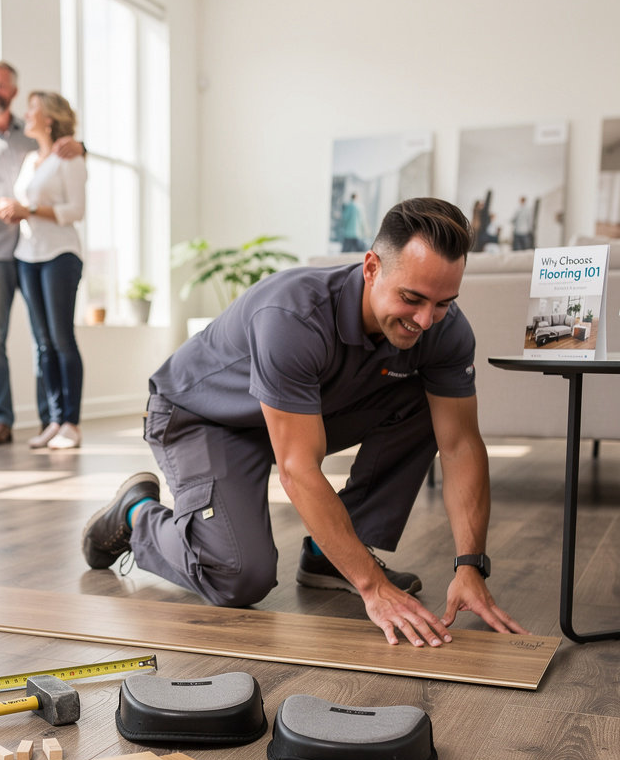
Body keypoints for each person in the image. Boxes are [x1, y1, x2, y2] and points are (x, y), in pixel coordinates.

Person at [82, 198, 529, 648]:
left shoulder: (443, 330)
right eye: (411, 299)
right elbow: (299, 469)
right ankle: (136, 514)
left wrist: (470, 566)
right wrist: (374, 588)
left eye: (443, 303)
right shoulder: (293, 317)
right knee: (238, 577)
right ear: (371, 267)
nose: (425, 320)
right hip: (205, 417)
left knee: (427, 400)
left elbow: (460, 446)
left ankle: (328, 557)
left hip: (303, 411)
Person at [0, 62, 85, 445]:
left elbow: (65, 158)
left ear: (14, 92)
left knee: (50, 338)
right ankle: (2, 421)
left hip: (37, 253)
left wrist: (83, 146)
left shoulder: (32, 138)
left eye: (2, 85)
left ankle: (53, 420)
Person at [0, 91, 87, 450]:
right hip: (27, 256)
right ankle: (53, 420)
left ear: (48, 118)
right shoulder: (30, 160)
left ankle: (71, 423)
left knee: (62, 340)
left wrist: (29, 210)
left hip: (60, 255)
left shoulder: (69, 157)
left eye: (32, 108)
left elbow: (75, 210)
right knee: (42, 344)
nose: (26, 113)